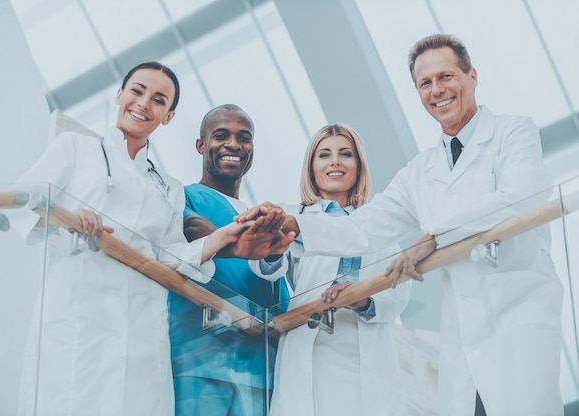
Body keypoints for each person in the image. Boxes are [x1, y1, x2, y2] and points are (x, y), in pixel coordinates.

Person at [239, 34, 564, 416]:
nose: (436, 90)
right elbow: (362, 228)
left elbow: (523, 195)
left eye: (445, 76)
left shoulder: (513, 132)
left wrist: (434, 238)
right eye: (425, 83)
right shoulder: (420, 172)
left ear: (472, 76)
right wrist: (295, 224)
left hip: (518, 312)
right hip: (462, 329)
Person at [13, 63, 253, 416]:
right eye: (137, 91)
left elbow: (169, 256)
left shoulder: (167, 186)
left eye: (158, 100)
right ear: (119, 95)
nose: (143, 104)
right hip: (79, 312)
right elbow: (22, 203)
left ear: (168, 116)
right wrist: (69, 218)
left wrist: (220, 238)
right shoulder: (75, 148)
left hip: (141, 328)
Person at [249, 123, 411, 416]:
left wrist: (363, 300)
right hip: (312, 347)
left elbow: (399, 293)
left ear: (359, 166)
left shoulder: (379, 223)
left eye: (345, 154)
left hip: (363, 349)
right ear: (311, 168)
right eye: (324, 155)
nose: (335, 161)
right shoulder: (293, 217)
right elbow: (269, 268)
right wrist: (271, 251)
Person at [167, 104, 289, 416]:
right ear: (201, 145)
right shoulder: (179, 197)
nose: (233, 144)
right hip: (199, 364)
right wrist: (238, 239)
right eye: (221, 136)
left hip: (260, 374)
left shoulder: (258, 217)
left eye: (244, 138)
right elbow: (194, 230)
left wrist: (274, 253)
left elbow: (279, 302)